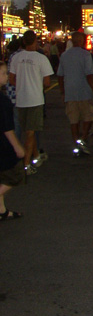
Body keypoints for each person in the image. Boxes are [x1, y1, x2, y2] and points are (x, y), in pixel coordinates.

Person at [9, 30, 53, 173]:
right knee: (30, 132)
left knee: (28, 131)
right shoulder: (41, 59)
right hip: (35, 99)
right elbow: (47, 82)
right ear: (35, 41)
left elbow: (11, 79)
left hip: (21, 99)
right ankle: (26, 165)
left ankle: (35, 155)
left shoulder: (16, 58)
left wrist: (22, 84)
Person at [57, 31, 93, 155]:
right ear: (81, 41)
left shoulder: (65, 55)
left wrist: (62, 92)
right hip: (85, 91)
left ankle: (76, 143)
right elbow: (89, 75)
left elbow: (60, 75)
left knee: (73, 120)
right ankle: (83, 139)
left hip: (70, 91)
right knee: (88, 116)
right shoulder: (86, 55)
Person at [0, 61, 25, 221]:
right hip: (3, 145)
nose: (7, 76)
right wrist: (18, 148)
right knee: (15, 175)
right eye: (3, 73)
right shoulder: (3, 101)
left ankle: (1, 211)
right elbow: (7, 128)